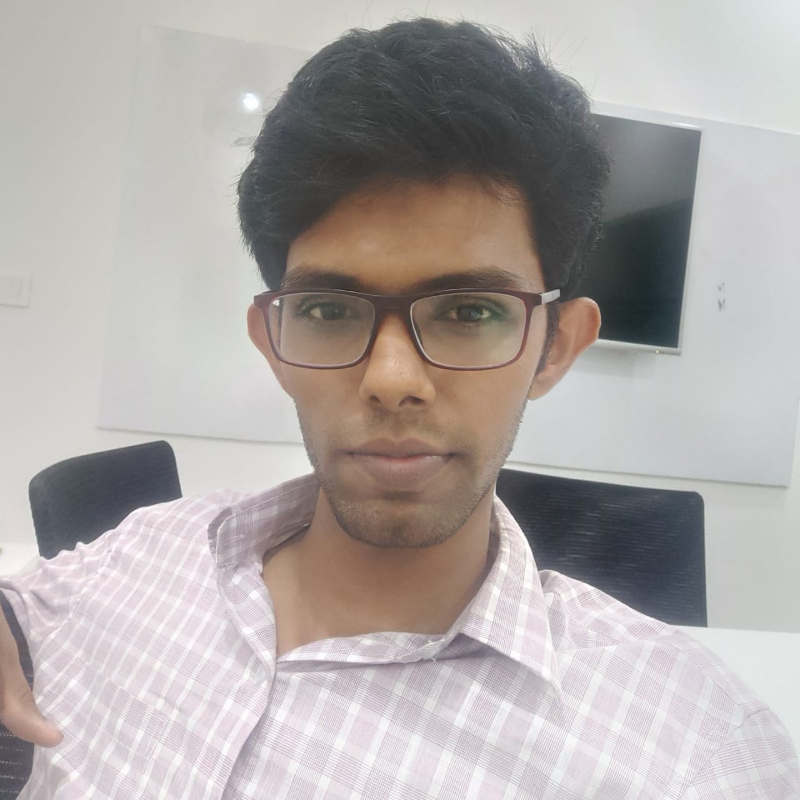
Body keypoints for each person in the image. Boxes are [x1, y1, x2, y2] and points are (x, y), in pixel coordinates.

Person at [1, 16, 798, 800]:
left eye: (470, 311)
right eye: (328, 309)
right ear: (274, 343)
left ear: (556, 346)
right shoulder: (151, 552)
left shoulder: (696, 759)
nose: (391, 379)